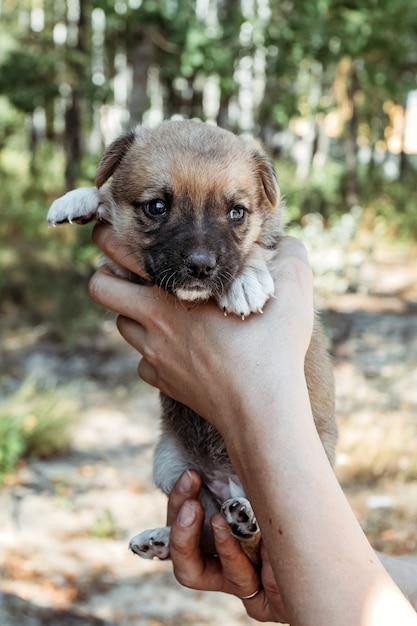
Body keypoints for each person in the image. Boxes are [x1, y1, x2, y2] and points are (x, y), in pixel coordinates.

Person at [88, 223, 417, 625]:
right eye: (156, 207)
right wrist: (315, 576)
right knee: (172, 474)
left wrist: (254, 399)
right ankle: (237, 531)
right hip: (202, 457)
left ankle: (245, 528)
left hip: (274, 466)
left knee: (211, 501)